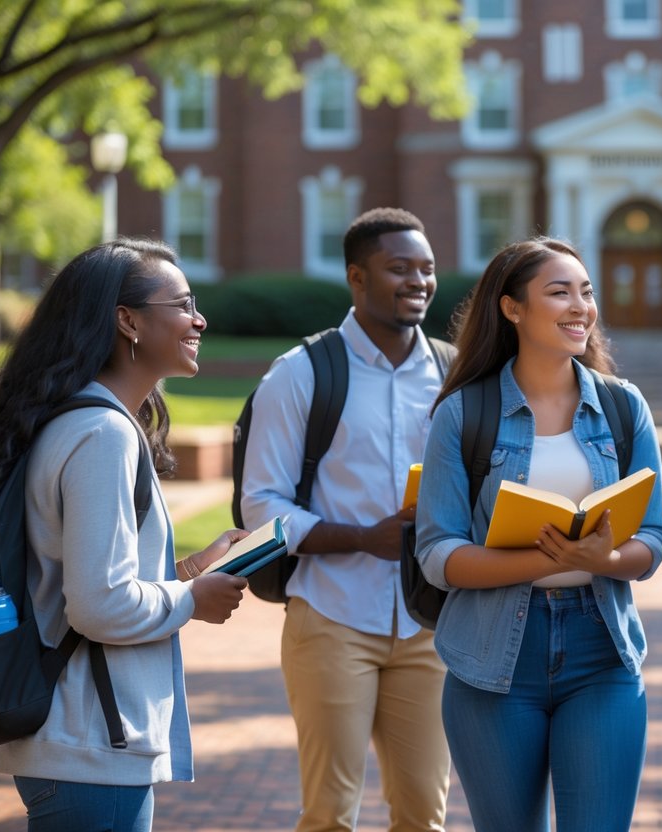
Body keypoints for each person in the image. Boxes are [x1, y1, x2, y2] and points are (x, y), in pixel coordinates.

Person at [0, 238, 248, 831]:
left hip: (78, 743)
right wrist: (191, 600)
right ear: (128, 321)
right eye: (183, 304)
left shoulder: (72, 418)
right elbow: (99, 605)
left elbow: (82, 579)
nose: (200, 318)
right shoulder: (101, 434)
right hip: (90, 748)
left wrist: (188, 571)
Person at [414, 236, 662, 831]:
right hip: (492, 656)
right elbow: (437, 553)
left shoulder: (624, 407)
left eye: (586, 291)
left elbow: (651, 540)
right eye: (560, 292)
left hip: (601, 650)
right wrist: (550, 560)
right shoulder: (462, 413)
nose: (580, 306)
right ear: (512, 309)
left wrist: (602, 558)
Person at [238, 207, 451, 831]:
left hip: (430, 627)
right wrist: (364, 538)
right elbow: (262, 507)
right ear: (357, 278)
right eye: (399, 268)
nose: (419, 281)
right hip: (331, 618)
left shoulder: (454, 373)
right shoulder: (301, 373)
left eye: (427, 269)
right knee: (329, 813)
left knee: (423, 813)